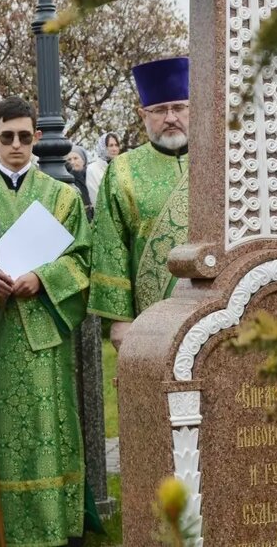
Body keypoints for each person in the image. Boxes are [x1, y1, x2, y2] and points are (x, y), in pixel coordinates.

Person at [0, 96, 97, 547]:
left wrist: (42, 278)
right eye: (7, 137)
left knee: (46, 430)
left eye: (25, 136)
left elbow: (82, 260)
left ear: (37, 138)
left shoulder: (63, 196)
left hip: (43, 334)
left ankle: (51, 526)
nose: (16, 145)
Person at [88, 57, 190, 350]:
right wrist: (120, 318)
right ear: (142, 114)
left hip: (220, 304)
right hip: (151, 315)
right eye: (159, 110)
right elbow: (110, 245)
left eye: (179, 108)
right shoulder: (122, 170)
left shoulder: (220, 159)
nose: (170, 118)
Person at [85, 132, 120, 209]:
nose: (114, 149)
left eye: (116, 145)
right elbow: (96, 198)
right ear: (103, 147)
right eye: (111, 145)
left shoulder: (120, 167)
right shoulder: (92, 169)